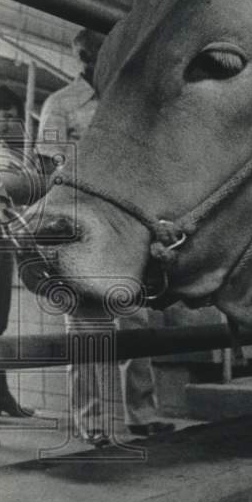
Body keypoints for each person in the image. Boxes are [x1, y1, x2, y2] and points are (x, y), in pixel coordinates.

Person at [37, 30, 174, 447]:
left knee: (136, 321)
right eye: (91, 53)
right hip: (78, 229)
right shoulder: (60, 105)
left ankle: (142, 413)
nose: (100, 59)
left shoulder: (129, 106)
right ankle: (91, 422)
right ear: (80, 56)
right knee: (87, 328)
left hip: (126, 228)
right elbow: (49, 172)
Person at [0, 84, 38, 430]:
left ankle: (1, 394)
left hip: (2, 243)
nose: (9, 123)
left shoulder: (12, 156)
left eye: (13, 117)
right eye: (3, 116)